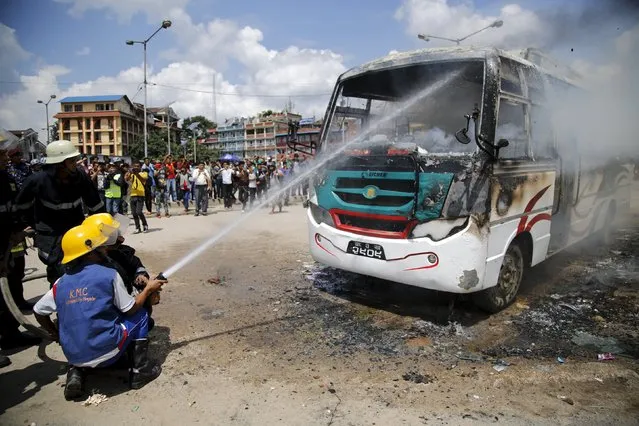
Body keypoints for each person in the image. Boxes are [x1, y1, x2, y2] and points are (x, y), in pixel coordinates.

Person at [33, 222, 166, 400]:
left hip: (73, 355)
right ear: (90, 252)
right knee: (140, 316)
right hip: (107, 353)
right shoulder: (108, 274)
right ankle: (140, 371)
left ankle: (77, 372)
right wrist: (148, 289)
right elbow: (131, 309)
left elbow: (38, 310)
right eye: (99, 247)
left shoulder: (60, 282)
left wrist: (54, 332)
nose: (104, 249)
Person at [14, 140, 105, 286]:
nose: (76, 163)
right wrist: (33, 226)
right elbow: (21, 208)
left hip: (75, 229)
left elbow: (95, 205)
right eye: (71, 161)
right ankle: (58, 300)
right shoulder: (37, 180)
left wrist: (104, 229)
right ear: (59, 163)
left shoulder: (80, 177)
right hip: (50, 235)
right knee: (58, 271)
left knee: (83, 266)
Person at [0, 140, 41, 360]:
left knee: (14, 276)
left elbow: (13, 207)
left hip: (10, 238)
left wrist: (19, 228)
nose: (6, 157)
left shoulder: (6, 177)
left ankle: (10, 333)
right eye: (2, 155)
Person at [125, 161, 149, 234]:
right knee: (134, 213)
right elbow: (126, 179)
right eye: (135, 166)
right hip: (132, 194)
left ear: (140, 167)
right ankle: (137, 227)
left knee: (139, 212)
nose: (136, 167)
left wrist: (136, 174)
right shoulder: (132, 174)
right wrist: (130, 173)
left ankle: (145, 225)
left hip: (140, 195)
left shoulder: (144, 173)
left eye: (138, 166)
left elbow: (143, 180)